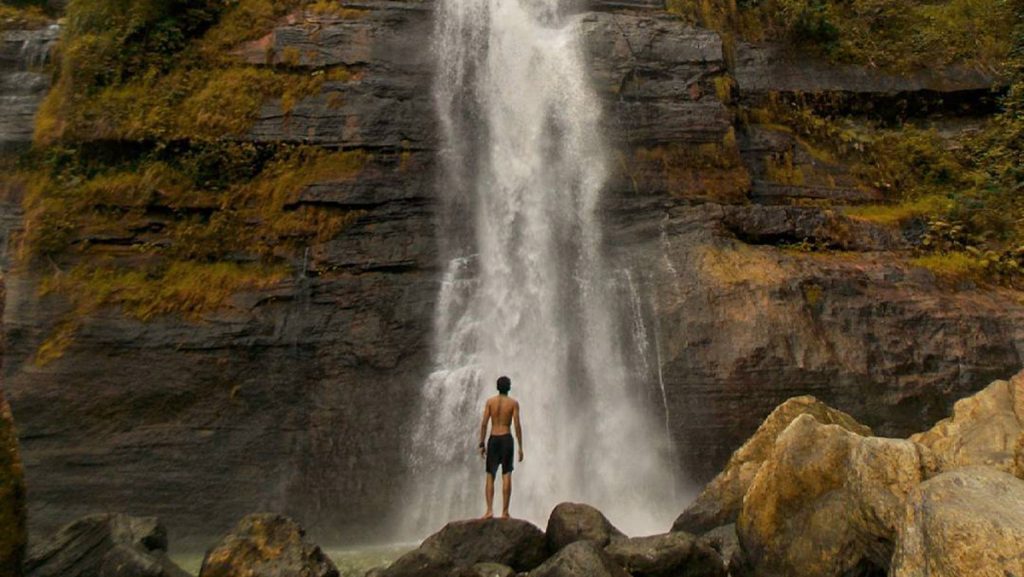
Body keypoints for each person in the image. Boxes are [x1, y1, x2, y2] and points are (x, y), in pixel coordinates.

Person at [478, 375, 523, 519]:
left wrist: (482, 443)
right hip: (506, 438)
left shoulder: (490, 402)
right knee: (506, 474)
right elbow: (516, 425)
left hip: (493, 439)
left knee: (490, 475)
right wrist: (520, 446)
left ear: (497, 387)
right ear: (509, 387)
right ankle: (505, 511)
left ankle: (489, 510)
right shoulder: (513, 403)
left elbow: (484, 423)